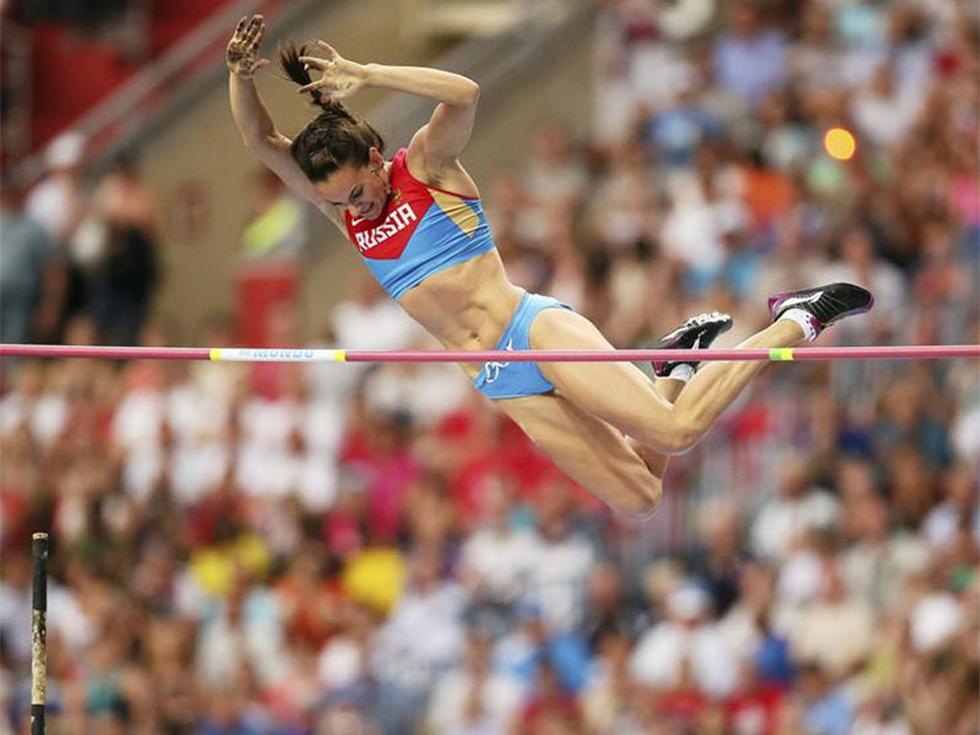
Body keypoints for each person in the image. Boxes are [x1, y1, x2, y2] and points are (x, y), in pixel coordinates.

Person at [225, 15, 873, 520]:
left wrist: (367, 72)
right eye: (339, 201)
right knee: (640, 497)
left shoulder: (426, 166)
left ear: (373, 155)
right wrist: (238, 75)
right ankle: (673, 364)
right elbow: (260, 142)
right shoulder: (343, 213)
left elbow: (466, 92)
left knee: (673, 434)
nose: (353, 206)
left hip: (531, 329)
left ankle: (795, 318)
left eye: (357, 190)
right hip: (499, 377)